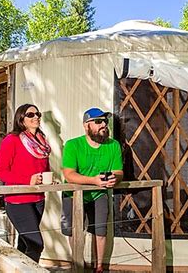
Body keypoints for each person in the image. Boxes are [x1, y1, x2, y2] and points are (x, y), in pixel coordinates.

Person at [61, 107, 123, 273]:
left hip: (99, 193)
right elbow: (69, 174)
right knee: (73, 231)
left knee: (101, 230)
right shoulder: (73, 145)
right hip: (73, 194)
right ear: (86, 125)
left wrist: (114, 179)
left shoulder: (113, 145)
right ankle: (77, 265)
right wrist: (94, 181)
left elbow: (119, 172)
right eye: (98, 121)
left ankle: (99, 267)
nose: (103, 124)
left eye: (105, 121)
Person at [0, 103, 51, 263]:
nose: (36, 117)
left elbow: (44, 168)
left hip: (38, 199)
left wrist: (49, 179)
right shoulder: (11, 140)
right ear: (21, 119)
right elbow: (0, 172)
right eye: (31, 115)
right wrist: (28, 180)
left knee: (24, 244)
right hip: (18, 201)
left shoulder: (42, 141)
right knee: (36, 244)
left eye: (38, 114)